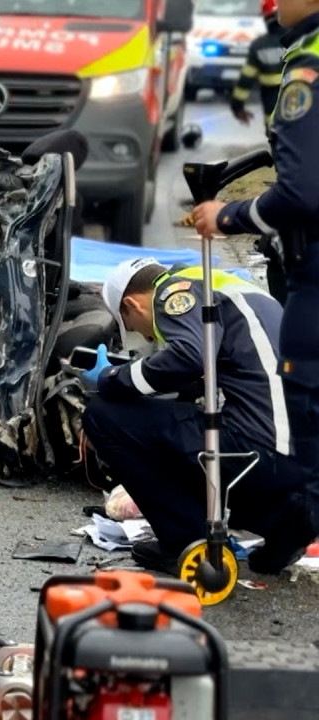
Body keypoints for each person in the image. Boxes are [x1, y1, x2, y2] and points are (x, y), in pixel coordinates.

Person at [81, 258, 316, 576]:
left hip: (262, 444)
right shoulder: (226, 286)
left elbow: (188, 356)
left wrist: (113, 378)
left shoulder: (174, 293)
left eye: (136, 328)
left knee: (103, 415)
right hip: (301, 455)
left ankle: (184, 538)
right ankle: (286, 518)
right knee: (185, 437)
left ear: (132, 304)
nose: (149, 339)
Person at [193, 0, 319, 567]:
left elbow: (301, 193)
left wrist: (228, 216)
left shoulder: (307, 66)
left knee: (307, 408)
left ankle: (296, 528)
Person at [231, 0, 288, 129]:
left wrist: (237, 107)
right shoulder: (302, 40)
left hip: (274, 123)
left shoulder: (259, 46)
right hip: (304, 121)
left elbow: (245, 81)